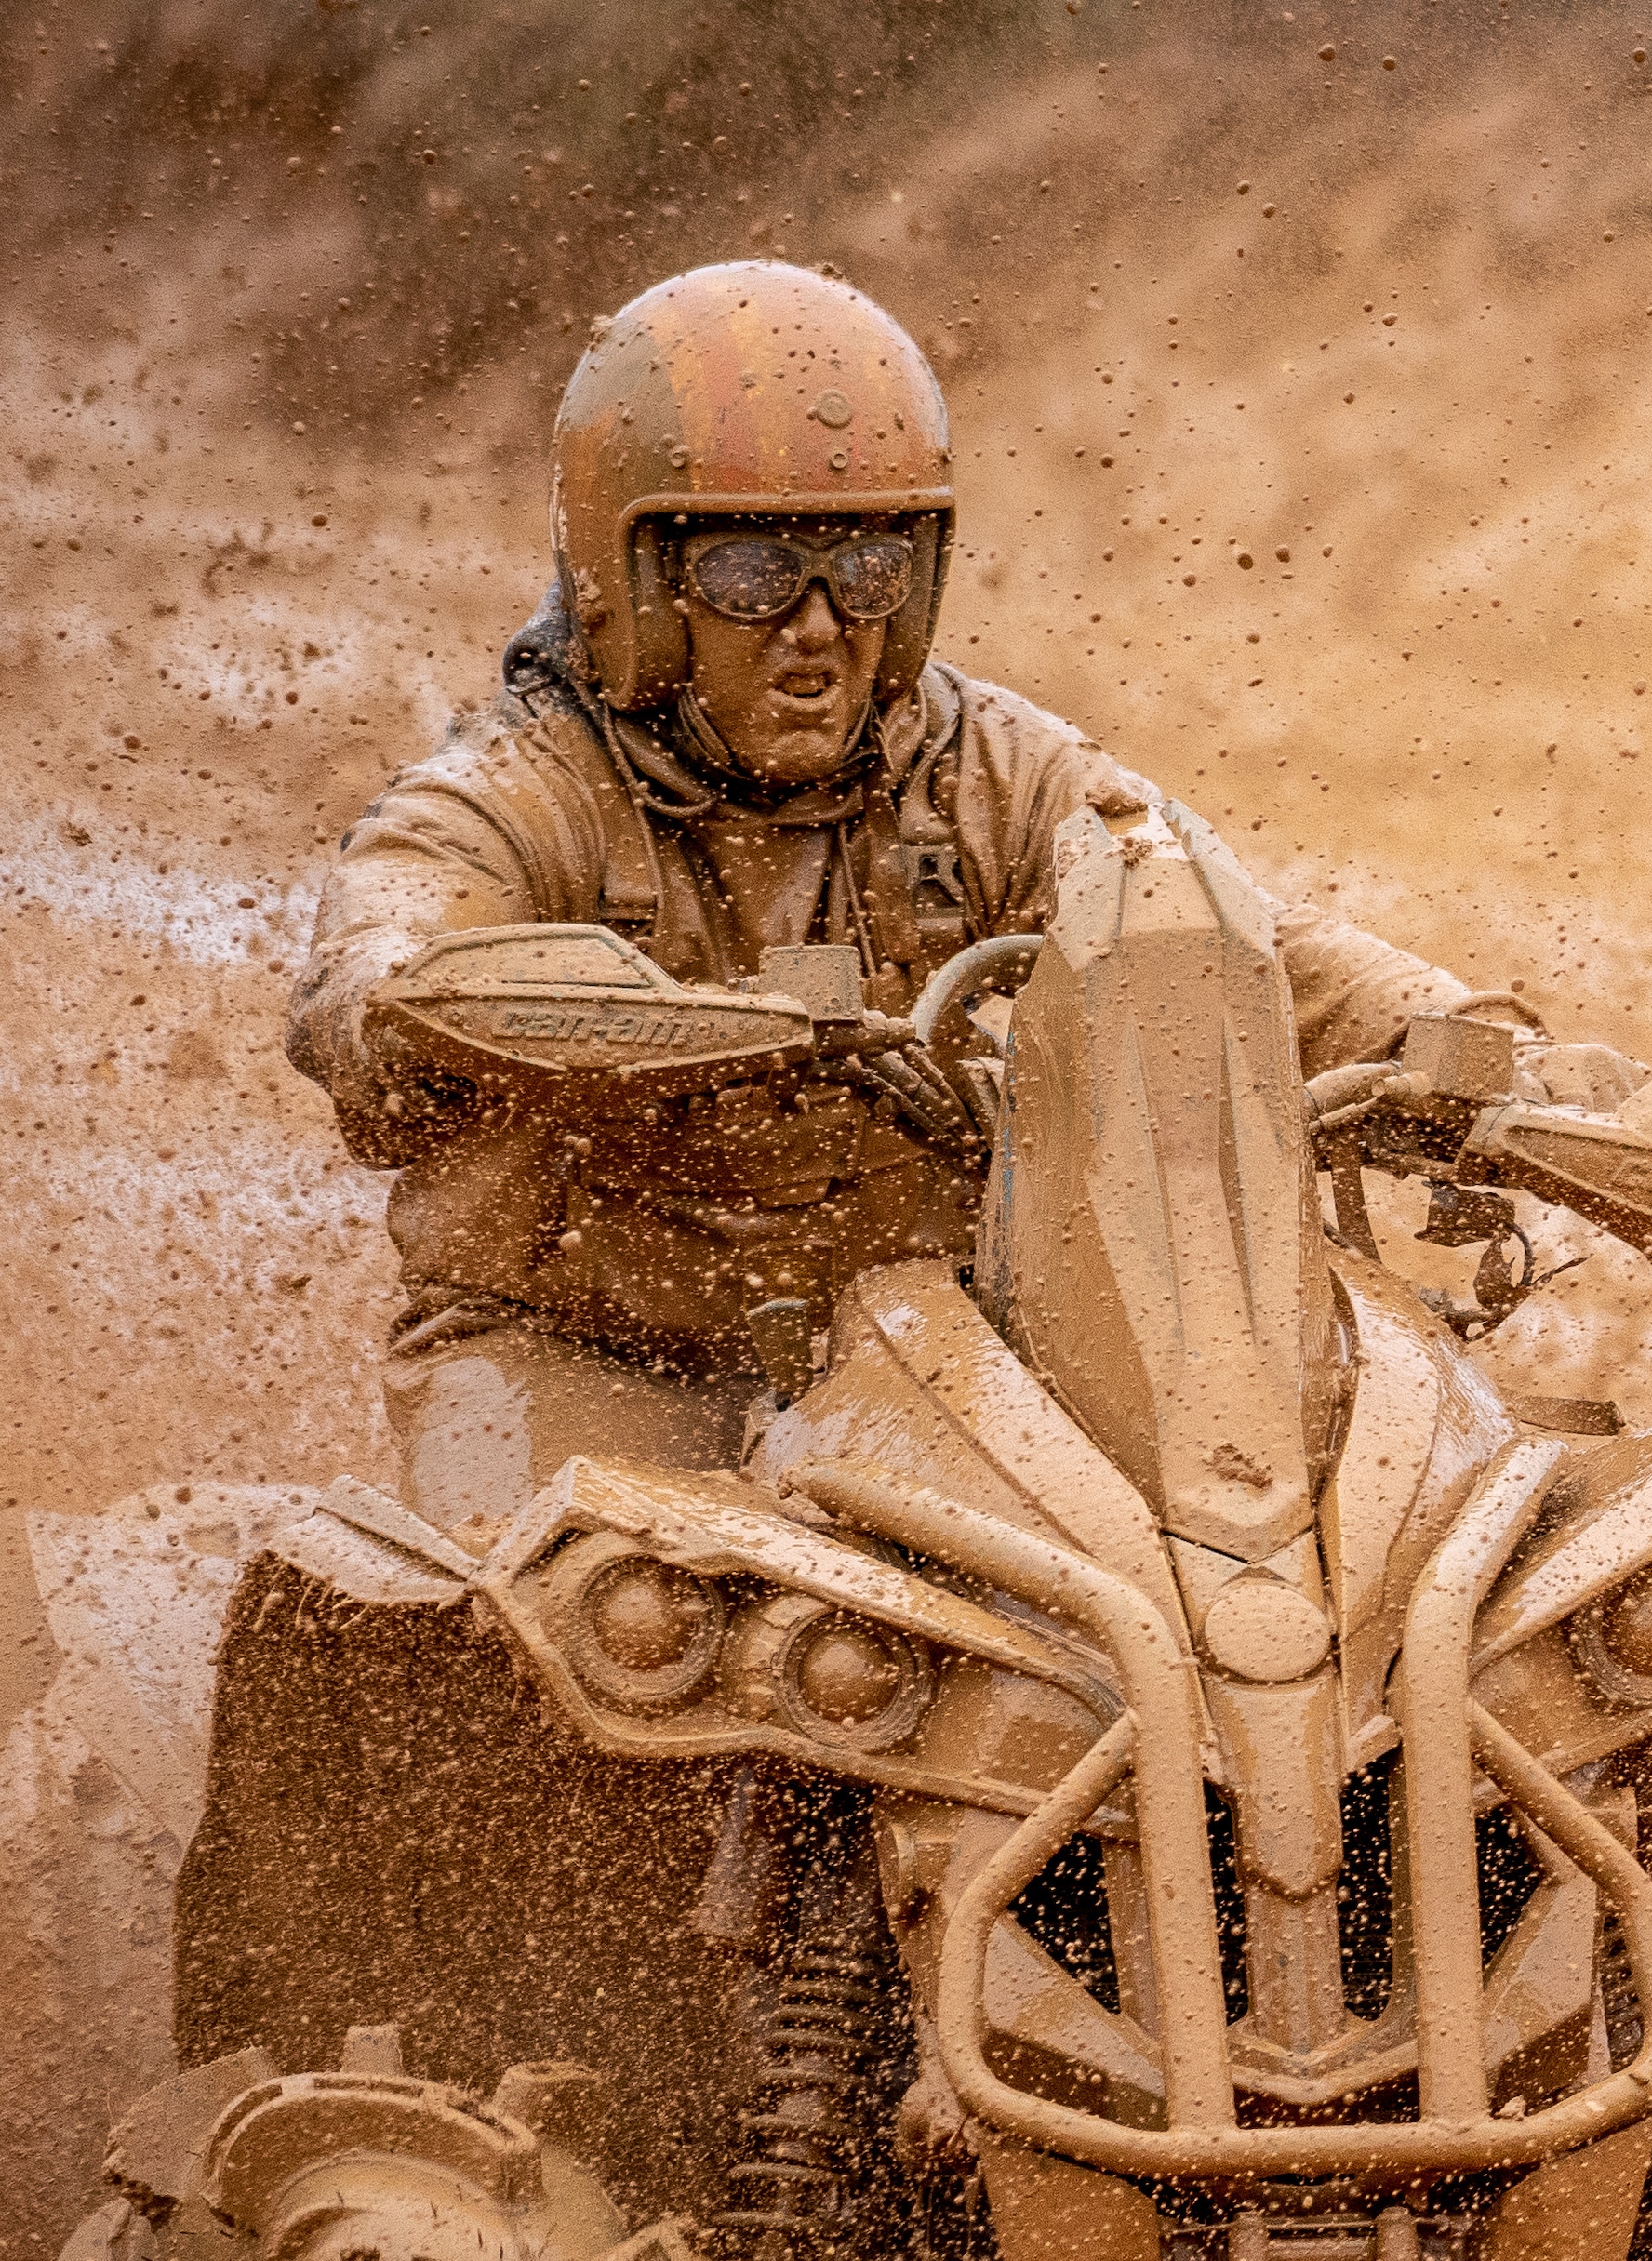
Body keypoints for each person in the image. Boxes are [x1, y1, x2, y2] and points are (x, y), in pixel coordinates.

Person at [286, 259, 1561, 1530]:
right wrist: (459, 1013)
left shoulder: (994, 770)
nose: (819, 626)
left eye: (866, 569)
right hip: (585, 1346)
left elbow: (1237, 934)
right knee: (561, 1603)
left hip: (922, 1344)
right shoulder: (513, 791)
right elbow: (381, 963)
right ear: (640, 583)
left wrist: (1486, 1056)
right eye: (752, 575)